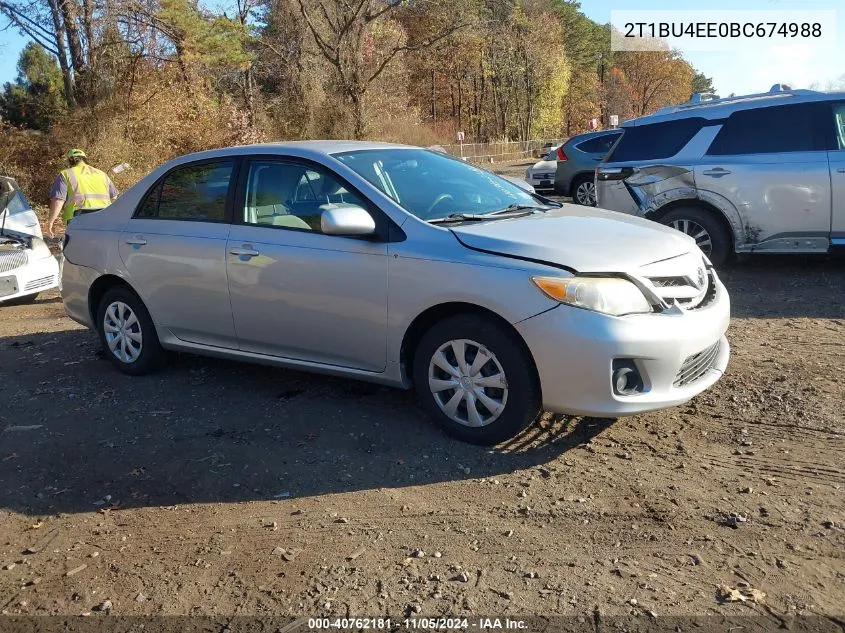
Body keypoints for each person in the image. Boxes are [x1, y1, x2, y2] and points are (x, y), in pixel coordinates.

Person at [47, 149, 119, 238]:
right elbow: (114, 197)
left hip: (78, 218)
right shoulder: (102, 174)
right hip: (103, 217)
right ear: (85, 159)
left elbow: (58, 200)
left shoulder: (65, 174)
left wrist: (51, 221)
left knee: (78, 249)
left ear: (70, 160)